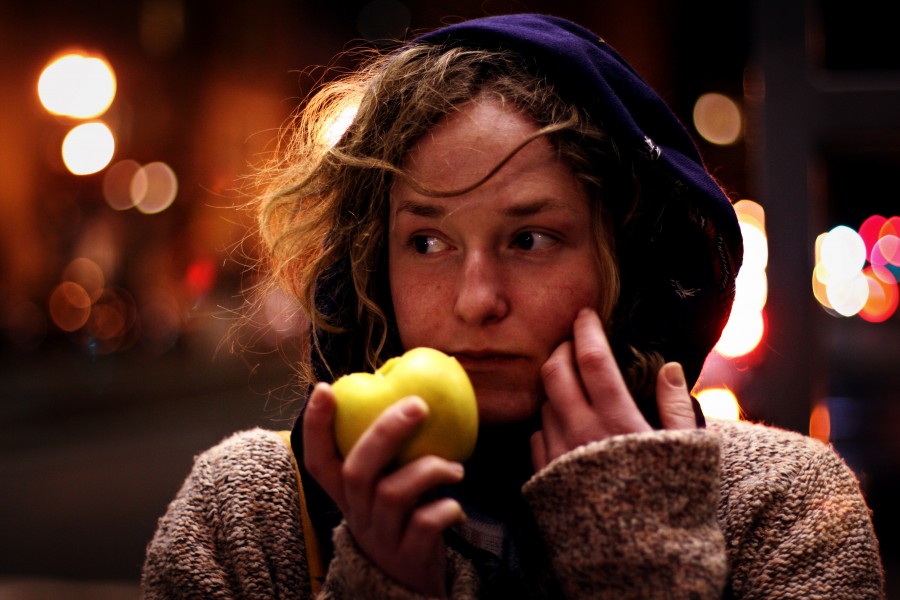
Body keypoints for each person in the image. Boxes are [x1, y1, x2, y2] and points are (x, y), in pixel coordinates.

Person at [141, 13, 885, 599]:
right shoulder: (246, 515)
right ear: (374, 259)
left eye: (529, 239)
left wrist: (637, 569)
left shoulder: (779, 505)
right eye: (427, 243)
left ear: (624, 257)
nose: (477, 301)